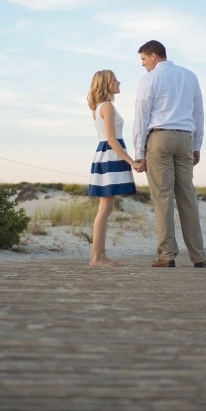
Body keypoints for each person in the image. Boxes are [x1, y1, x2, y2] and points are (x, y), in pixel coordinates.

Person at [133, 40, 206, 268]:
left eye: (144, 59)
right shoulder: (190, 76)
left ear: (154, 56)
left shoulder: (150, 79)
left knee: (163, 197)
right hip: (185, 139)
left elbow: (141, 116)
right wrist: (197, 145)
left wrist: (139, 151)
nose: (143, 65)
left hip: (160, 138)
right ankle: (198, 257)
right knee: (188, 197)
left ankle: (167, 255)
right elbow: (198, 113)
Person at [86, 70, 143, 267]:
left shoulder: (99, 107)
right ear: (106, 84)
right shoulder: (107, 107)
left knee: (106, 208)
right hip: (111, 154)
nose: (119, 82)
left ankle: (99, 256)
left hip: (106, 154)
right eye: (115, 80)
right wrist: (132, 162)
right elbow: (112, 140)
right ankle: (97, 257)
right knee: (104, 209)